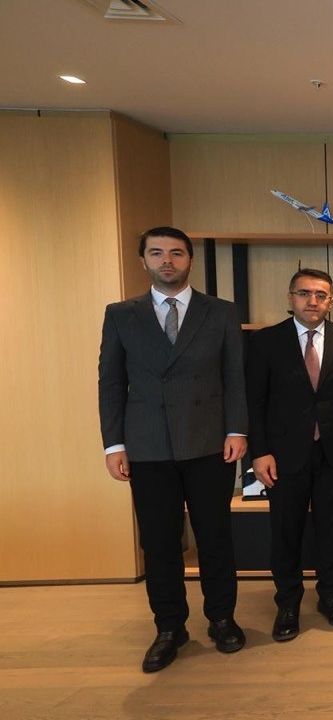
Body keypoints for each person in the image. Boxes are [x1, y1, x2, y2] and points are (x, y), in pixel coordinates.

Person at [98, 226, 248, 672]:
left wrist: (237, 430)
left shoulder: (220, 312)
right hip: (147, 446)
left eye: (177, 253)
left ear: (189, 260)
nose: (167, 260)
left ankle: (221, 618)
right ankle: (169, 627)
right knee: (160, 542)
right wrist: (114, 443)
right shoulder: (121, 314)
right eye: (157, 252)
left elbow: (235, 377)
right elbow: (111, 382)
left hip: (209, 442)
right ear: (143, 260)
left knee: (215, 537)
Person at [246, 269, 333, 641]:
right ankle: (288, 603)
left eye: (320, 295)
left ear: (331, 301)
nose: (312, 301)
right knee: (286, 531)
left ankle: (331, 596)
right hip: (283, 456)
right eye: (304, 293)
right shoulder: (266, 341)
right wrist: (259, 452)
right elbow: (255, 402)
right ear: (290, 297)